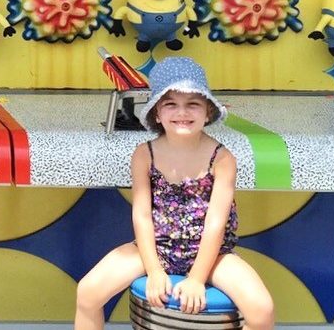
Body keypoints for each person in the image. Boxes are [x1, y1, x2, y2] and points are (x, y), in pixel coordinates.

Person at [74, 57, 274, 330]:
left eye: (193, 103)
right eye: (170, 104)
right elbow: (142, 216)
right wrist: (154, 270)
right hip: (156, 248)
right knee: (87, 292)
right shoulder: (145, 154)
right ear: (157, 113)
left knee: (262, 310)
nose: (182, 112)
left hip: (212, 254)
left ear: (208, 112)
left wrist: (197, 278)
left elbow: (215, 224)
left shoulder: (222, 158)